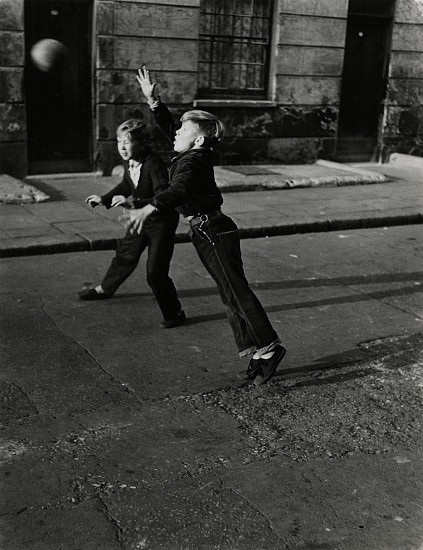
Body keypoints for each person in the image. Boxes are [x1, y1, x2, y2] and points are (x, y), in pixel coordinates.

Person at [121, 66, 286, 385]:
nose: (175, 135)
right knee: (229, 293)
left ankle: (269, 347)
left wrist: (152, 205)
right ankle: (255, 348)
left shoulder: (194, 160)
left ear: (197, 139)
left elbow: (178, 189)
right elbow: (172, 129)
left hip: (213, 230)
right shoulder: (195, 152)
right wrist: (154, 102)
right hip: (206, 230)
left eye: (183, 132)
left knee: (236, 291)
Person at [79, 118, 185, 329]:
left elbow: (163, 195)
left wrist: (132, 203)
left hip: (161, 222)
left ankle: (174, 312)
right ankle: (105, 289)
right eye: (120, 142)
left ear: (142, 143)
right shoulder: (131, 163)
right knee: (125, 254)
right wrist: (105, 199)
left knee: (155, 271)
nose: (122, 147)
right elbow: (126, 184)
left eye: (127, 142)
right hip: (139, 218)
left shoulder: (154, 164)